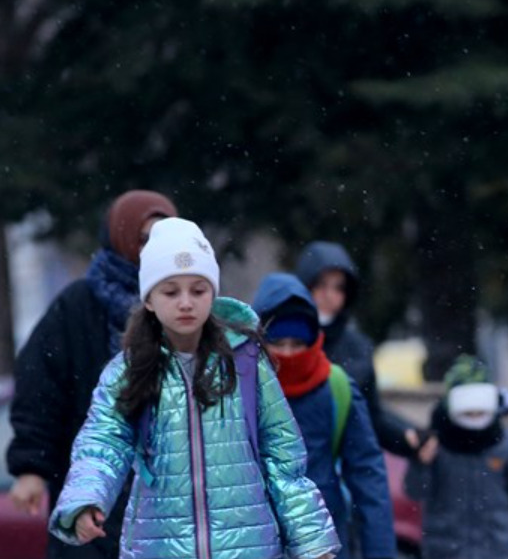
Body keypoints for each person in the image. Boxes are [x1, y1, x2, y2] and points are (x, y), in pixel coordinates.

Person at [47, 218, 340, 559]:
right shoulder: (128, 371)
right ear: (150, 300)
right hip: (159, 546)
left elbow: (282, 456)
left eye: (198, 290)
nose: (185, 302)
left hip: (249, 548)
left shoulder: (246, 363)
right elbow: (102, 441)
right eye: (171, 291)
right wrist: (86, 498)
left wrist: (313, 542)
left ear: (212, 293)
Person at [7, 190, 177, 559]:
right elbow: (39, 388)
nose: (151, 249)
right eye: (143, 238)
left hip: (169, 500)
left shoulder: (186, 304)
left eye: (162, 239)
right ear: (121, 236)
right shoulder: (78, 305)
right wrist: (31, 467)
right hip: (90, 490)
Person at [252, 272, 395, 559]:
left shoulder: (336, 387)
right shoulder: (235, 390)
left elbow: (369, 481)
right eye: (278, 343)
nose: (288, 354)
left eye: (297, 344)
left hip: (325, 547)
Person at [295, 241, 423, 458]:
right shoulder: (284, 338)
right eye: (321, 285)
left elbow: (369, 415)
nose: (329, 295)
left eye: (338, 287)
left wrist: (408, 436)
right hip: (291, 460)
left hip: (341, 465)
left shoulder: (357, 347)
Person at [404, 355, 508, 559]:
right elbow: (415, 491)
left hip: (495, 550)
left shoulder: (503, 442)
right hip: (445, 551)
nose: (475, 418)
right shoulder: (435, 442)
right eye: (469, 413)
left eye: (479, 412)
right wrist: (420, 463)